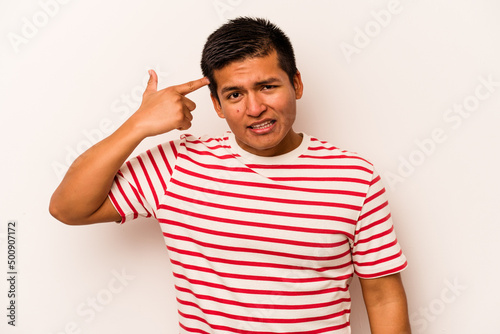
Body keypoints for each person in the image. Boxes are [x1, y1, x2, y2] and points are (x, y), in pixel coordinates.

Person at [50, 17, 411, 334]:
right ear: (217, 105)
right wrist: (137, 126)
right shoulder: (177, 165)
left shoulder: (353, 177)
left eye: (268, 86)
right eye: (235, 94)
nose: (254, 108)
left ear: (296, 84)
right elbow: (69, 208)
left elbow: (382, 298)